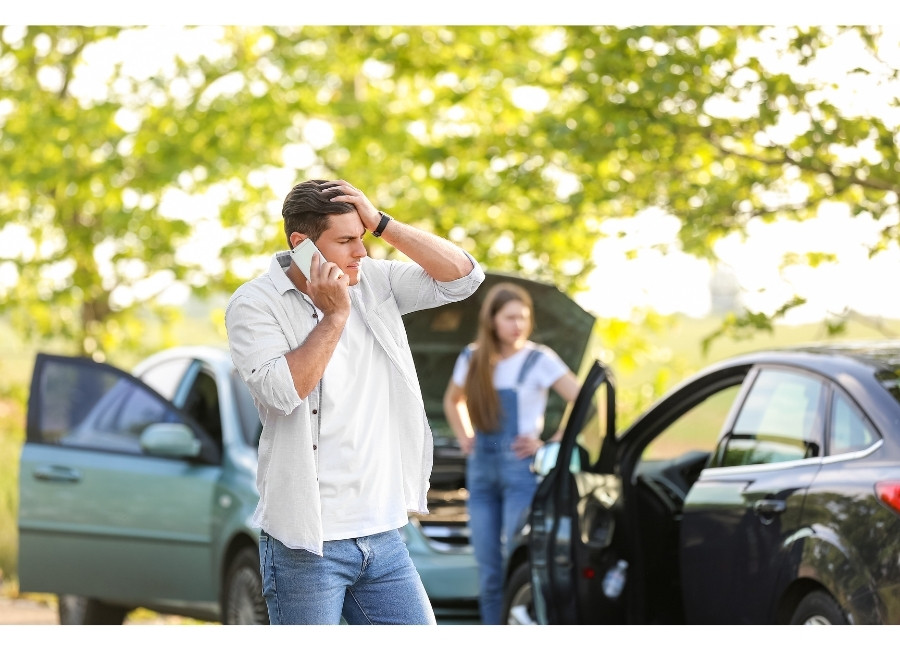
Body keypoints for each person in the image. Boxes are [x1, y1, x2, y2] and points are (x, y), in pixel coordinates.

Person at [225, 179, 484, 625]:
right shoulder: (254, 304)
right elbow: (283, 391)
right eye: (346, 241)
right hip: (306, 543)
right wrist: (336, 315)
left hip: (383, 535)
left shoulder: (375, 281)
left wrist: (383, 224)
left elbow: (463, 279)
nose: (360, 252)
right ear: (301, 245)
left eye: (361, 237)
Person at [442, 282, 580, 625]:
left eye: (524, 317)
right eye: (510, 317)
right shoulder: (472, 357)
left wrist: (551, 443)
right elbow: (452, 400)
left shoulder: (539, 359)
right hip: (481, 473)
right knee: (488, 568)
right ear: (492, 320)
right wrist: (466, 437)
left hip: (522, 475)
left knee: (515, 562)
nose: (518, 325)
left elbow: (582, 399)